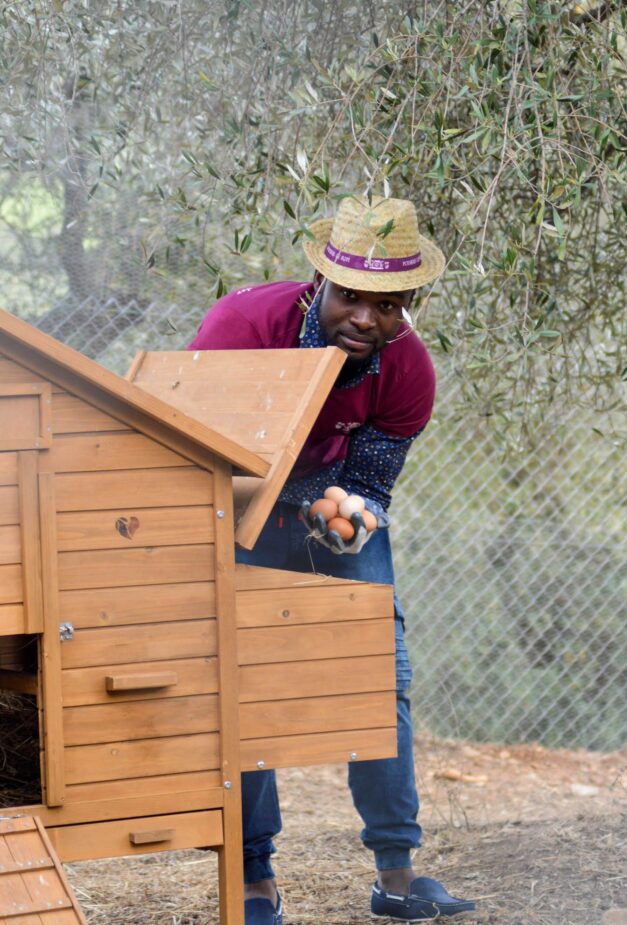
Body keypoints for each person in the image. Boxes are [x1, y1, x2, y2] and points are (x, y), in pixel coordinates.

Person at [189, 197, 476, 924]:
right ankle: (254, 881)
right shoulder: (242, 327)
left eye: (386, 305)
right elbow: (193, 443)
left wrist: (348, 523)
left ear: (408, 303)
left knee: (381, 678)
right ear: (321, 281)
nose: (365, 318)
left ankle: (398, 873)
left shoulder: (408, 370)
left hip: (327, 506)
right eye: (351, 296)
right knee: (246, 685)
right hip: (235, 504)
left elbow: (372, 483)